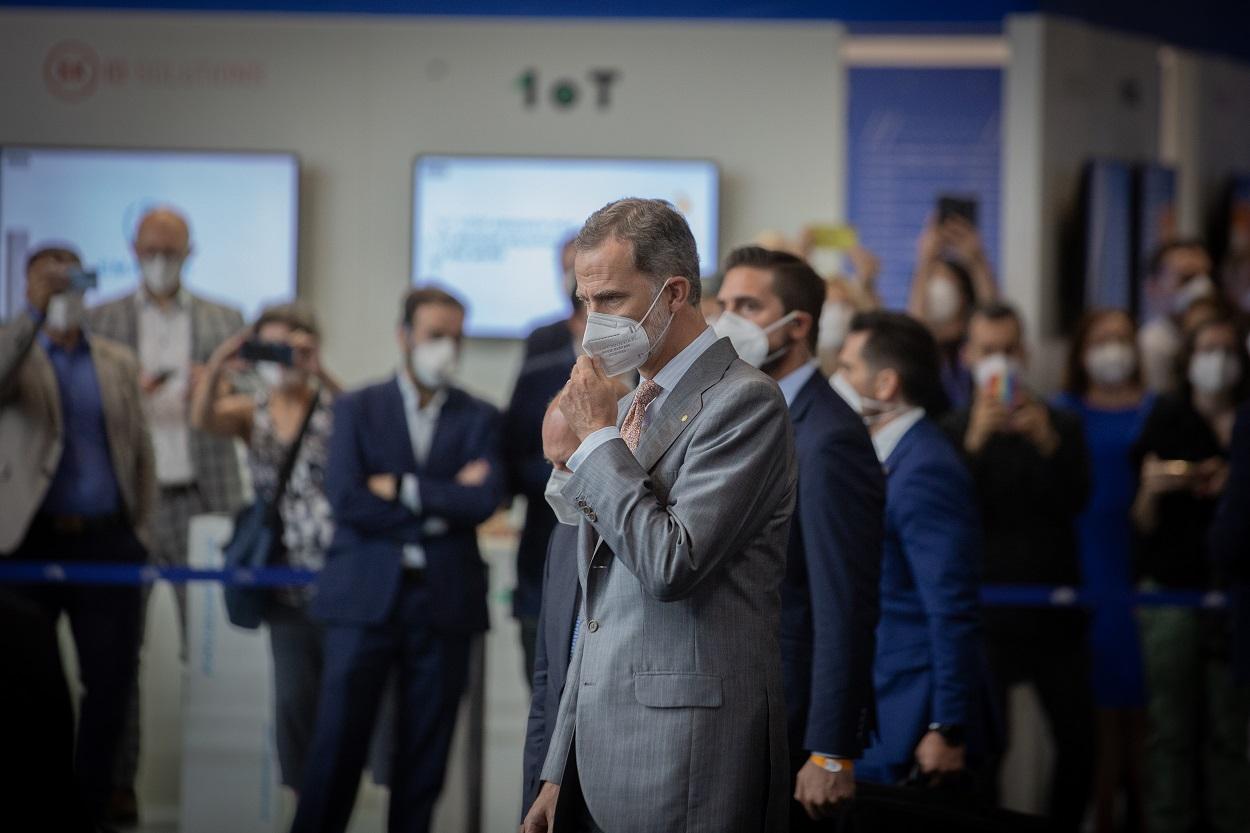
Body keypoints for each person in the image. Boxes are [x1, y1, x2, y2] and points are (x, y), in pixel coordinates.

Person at [522, 198, 798, 833]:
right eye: (584, 300)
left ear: (674, 292)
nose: (592, 323)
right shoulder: (626, 404)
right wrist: (557, 764)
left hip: (686, 757)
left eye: (611, 299)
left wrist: (593, 444)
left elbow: (671, 563)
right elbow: (594, 610)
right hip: (594, 750)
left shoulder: (744, 402)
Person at [291, 287, 504, 833]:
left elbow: (483, 501)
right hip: (364, 598)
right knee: (336, 747)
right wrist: (440, 504)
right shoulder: (358, 407)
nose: (447, 348)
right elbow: (348, 499)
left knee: (423, 759)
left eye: (456, 337)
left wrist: (405, 489)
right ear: (404, 336)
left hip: (444, 604)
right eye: (435, 335)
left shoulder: (480, 416)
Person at [87, 206, 247, 822]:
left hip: (205, 498)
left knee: (216, 650)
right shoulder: (102, 322)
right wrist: (134, 395)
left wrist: (215, 388)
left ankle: (218, 782)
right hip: (128, 505)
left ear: (189, 252)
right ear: (132, 248)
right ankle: (115, 783)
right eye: (151, 248)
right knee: (117, 656)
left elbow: (251, 403)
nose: (161, 259)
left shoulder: (223, 319)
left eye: (172, 250)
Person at [715, 246, 884, 826]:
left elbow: (845, 599)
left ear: (798, 325)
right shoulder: (744, 412)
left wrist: (831, 748)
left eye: (748, 305)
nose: (728, 320)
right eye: (724, 304)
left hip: (793, 713)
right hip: (739, 705)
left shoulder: (827, 435)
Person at [0, 244, 156, 828]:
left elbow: (139, 450)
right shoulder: (14, 349)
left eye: (72, 278)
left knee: (111, 684)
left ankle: (89, 807)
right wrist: (31, 314)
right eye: (50, 278)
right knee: (32, 688)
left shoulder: (114, 360)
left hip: (106, 543)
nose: (64, 288)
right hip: (25, 545)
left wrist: (140, 529)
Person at [943, 302, 1093, 832]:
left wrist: (1048, 443)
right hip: (986, 616)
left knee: (1079, 746)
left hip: (1056, 612)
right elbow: (947, 512)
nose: (1000, 362)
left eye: (1009, 350)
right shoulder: (952, 429)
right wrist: (976, 443)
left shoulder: (1063, 424)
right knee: (985, 751)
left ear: (1024, 354)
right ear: (968, 357)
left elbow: (1079, 501)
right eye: (988, 351)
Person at [190, 301, 341, 794]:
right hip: (281, 577)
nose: (283, 356)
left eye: (291, 345)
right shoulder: (250, 411)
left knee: (339, 697)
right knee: (294, 696)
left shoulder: (332, 405)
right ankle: (301, 797)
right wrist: (221, 362)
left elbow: (372, 424)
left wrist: (320, 372)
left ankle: (333, 796)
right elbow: (202, 418)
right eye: (273, 344)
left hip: (336, 573)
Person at [831, 311, 982, 789]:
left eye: (849, 367)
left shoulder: (925, 469)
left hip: (912, 712)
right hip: (881, 698)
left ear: (886, 383)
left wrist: (946, 725)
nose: (839, 379)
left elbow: (950, 606)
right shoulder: (886, 454)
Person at [1131, 313, 1250, 833]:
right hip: (1171, 591)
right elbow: (1138, 520)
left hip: (1232, 594)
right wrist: (1157, 487)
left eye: (1227, 349)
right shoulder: (1167, 416)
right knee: (1171, 730)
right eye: (1207, 349)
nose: (1217, 361)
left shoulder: (1245, 420)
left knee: (1231, 732)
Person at [1054, 309, 1151, 833]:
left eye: (1122, 339)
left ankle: (1140, 810)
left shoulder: (1155, 409)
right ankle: (1102, 816)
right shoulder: (1064, 412)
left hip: (1138, 559)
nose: (1114, 349)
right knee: (1094, 705)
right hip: (1083, 558)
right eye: (1103, 339)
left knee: (1143, 705)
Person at [505, 234, 587, 684]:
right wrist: (570, 472)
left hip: (622, 551)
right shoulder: (544, 343)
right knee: (545, 694)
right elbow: (516, 448)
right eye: (571, 266)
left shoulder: (638, 351)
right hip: (545, 547)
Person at [521, 395, 589, 817]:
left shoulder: (644, 538)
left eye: (568, 463)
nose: (557, 480)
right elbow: (546, 681)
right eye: (551, 465)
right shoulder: (562, 537)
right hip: (554, 785)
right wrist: (533, 791)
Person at [908, 216, 996, 411]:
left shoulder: (974, 340)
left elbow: (993, 315)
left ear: (963, 294)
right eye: (931, 284)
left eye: (945, 283)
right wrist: (925, 261)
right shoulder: (925, 348)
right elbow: (915, 326)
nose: (936, 292)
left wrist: (977, 260)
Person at [1138, 239, 1217, 394]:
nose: (1203, 286)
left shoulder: (1226, 334)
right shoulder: (1152, 345)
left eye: (1207, 276)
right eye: (1187, 279)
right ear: (1153, 288)